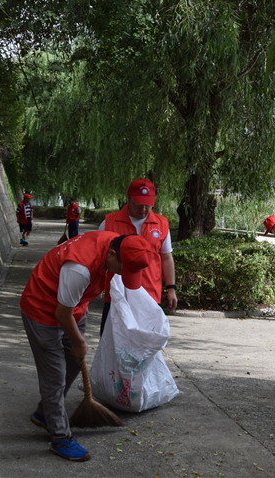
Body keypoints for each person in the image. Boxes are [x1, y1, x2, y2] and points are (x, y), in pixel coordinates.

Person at [20, 231, 153, 461]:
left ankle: (44, 413)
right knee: (55, 375)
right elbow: (62, 313)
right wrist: (79, 341)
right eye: (123, 269)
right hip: (42, 310)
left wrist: (82, 303)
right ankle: (60, 439)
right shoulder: (79, 268)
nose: (123, 275)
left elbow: (78, 297)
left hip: (72, 307)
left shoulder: (117, 243)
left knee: (72, 363)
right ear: (112, 254)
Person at [98, 178, 177, 335]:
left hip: (149, 296)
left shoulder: (161, 224)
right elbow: (98, 260)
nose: (144, 208)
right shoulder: (109, 223)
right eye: (138, 203)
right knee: (112, 344)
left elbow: (166, 258)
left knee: (147, 346)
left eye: (148, 204)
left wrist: (171, 288)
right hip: (117, 295)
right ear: (128, 199)